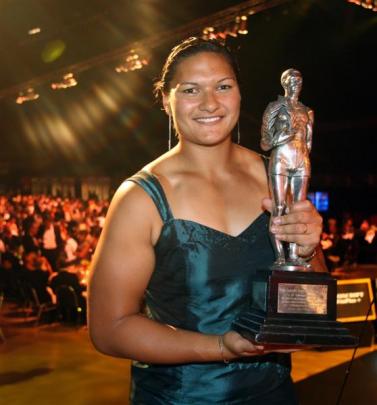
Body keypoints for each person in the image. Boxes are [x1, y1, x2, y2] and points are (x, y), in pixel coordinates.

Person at [88, 37, 324, 404]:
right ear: (166, 101)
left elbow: (309, 301)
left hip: (273, 394)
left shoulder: (275, 177)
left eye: (223, 86)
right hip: (182, 397)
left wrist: (309, 249)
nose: (210, 103)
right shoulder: (140, 199)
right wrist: (219, 346)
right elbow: (109, 329)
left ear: (240, 94)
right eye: (191, 90)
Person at [260, 68, 314, 267]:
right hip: (281, 157)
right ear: (284, 84)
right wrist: (283, 136)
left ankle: (294, 255)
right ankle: (280, 256)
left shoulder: (308, 111)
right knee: (279, 207)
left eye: (298, 80)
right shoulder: (276, 106)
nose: (295, 84)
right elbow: (265, 143)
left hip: (301, 159)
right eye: (291, 81)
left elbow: (309, 143)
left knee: (297, 210)